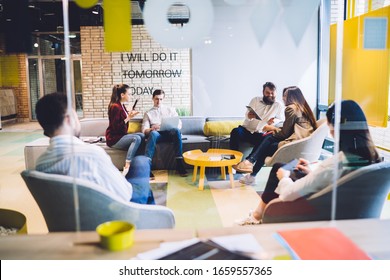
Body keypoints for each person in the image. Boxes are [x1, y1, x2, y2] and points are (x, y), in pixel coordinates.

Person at [237, 100, 381, 225]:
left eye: (330, 127)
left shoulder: (335, 163)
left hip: (318, 209)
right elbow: (335, 179)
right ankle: (257, 215)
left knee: (280, 169)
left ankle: (257, 216)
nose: (330, 133)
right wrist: (311, 173)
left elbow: (288, 194)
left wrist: (284, 177)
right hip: (345, 208)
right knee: (289, 167)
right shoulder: (374, 158)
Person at [35, 92, 155, 205]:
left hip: (76, 217)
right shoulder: (92, 154)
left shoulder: (40, 164)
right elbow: (124, 194)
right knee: (141, 162)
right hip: (120, 209)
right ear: (69, 120)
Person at [235, 86, 317, 185]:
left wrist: (272, 129)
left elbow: (285, 134)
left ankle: (250, 165)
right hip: (304, 144)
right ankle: (250, 167)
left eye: (285, 96)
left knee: (267, 141)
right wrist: (274, 130)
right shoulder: (303, 108)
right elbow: (290, 129)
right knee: (268, 137)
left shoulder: (291, 108)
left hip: (295, 144)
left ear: (292, 96)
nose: (283, 98)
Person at [142, 89, 188, 178]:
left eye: (161, 99)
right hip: (157, 135)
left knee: (176, 130)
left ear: (163, 99)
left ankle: (179, 164)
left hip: (170, 134)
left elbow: (179, 123)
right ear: (153, 99)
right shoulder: (148, 113)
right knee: (153, 134)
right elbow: (144, 130)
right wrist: (151, 128)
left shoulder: (170, 110)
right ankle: (147, 167)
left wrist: (171, 127)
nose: (159, 101)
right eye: (156, 99)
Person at [229, 81, 285, 153]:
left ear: (276, 93)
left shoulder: (278, 105)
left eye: (272, 93)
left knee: (265, 140)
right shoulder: (255, 100)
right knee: (235, 131)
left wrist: (274, 121)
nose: (270, 95)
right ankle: (234, 157)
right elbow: (247, 115)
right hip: (246, 130)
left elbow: (281, 119)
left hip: (260, 133)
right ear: (263, 92)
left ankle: (249, 161)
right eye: (267, 93)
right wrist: (249, 116)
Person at [106, 84, 144, 176]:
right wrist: (128, 117)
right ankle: (127, 166)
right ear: (122, 95)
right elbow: (116, 127)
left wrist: (129, 114)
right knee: (137, 138)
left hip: (121, 136)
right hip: (114, 138)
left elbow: (123, 122)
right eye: (129, 94)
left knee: (142, 135)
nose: (130, 96)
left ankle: (139, 165)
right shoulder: (115, 107)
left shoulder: (121, 105)